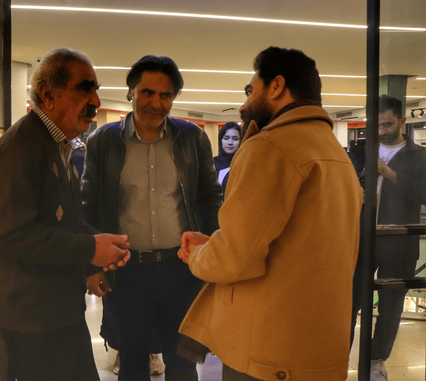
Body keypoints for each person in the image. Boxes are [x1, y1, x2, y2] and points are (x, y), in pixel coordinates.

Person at [178, 46, 362, 381]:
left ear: (276, 86)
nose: (243, 105)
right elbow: (294, 242)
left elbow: (236, 257)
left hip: (267, 349)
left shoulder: (270, 146)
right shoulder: (335, 152)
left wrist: (198, 255)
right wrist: (217, 244)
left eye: (250, 91)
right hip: (318, 345)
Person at [0, 48, 131, 381]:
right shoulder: (21, 148)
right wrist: (90, 249)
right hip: (34, 318)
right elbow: (9, 235)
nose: (96, 100)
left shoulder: (56, 145)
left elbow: (61, 222)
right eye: (85, 88)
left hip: (56, 311)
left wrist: (93, 256)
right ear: (48, 96)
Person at [82, 55, 222, 381]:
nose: (156, 103)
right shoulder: (104, 141)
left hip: (181, 269)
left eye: (165, 95)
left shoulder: (192, 138)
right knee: (132, 363)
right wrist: (91, 265)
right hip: (126, 271)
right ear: (130, 92)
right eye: (147, 92)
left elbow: (211, 198)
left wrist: (215, 254)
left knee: (183, 363)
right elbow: (88, 205)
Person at [350, 94, 426, 381]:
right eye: (376, 125)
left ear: (402, 121)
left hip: (399, 244)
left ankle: (376, 361)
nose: (380, 131)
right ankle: (337, 356)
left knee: (391, 309)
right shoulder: (361, 151)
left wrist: (391, 174)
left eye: (386, 124)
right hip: (360, 240)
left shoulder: (419, 156)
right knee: (348, 302)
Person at [214, 122, 242, 193]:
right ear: (221, 140)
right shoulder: (211, 163)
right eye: (226, 138)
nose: (230, 143)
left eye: (235, 139)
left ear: (241, 141)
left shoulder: (243, 164)